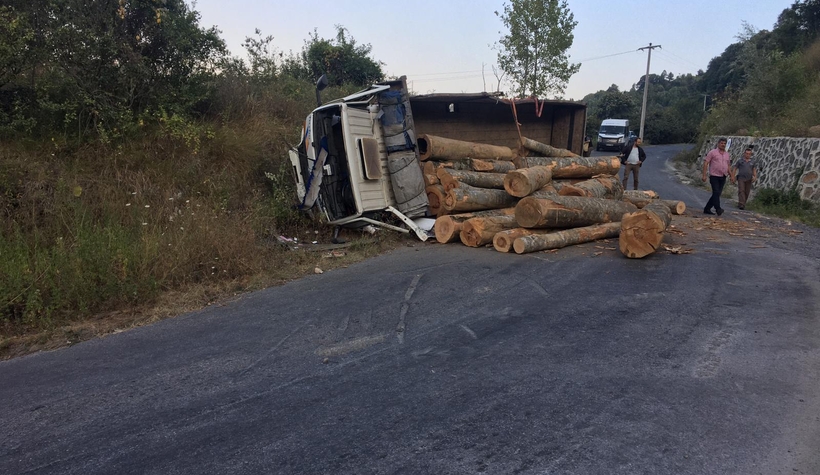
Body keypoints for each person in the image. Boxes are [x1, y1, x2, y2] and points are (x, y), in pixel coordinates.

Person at [702, 137, 732, 216]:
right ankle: (718, 209)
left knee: (717, 194)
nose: (723, 145)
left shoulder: (727, 154)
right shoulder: (712, 152)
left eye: (724, 143)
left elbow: (728, 165)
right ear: (718, 144)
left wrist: (732, 175)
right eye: (721, 143)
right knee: (716, 192)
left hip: (723, 176)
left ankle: (707, 209)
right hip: (714, 176)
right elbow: (706, 163)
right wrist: (704, 175)